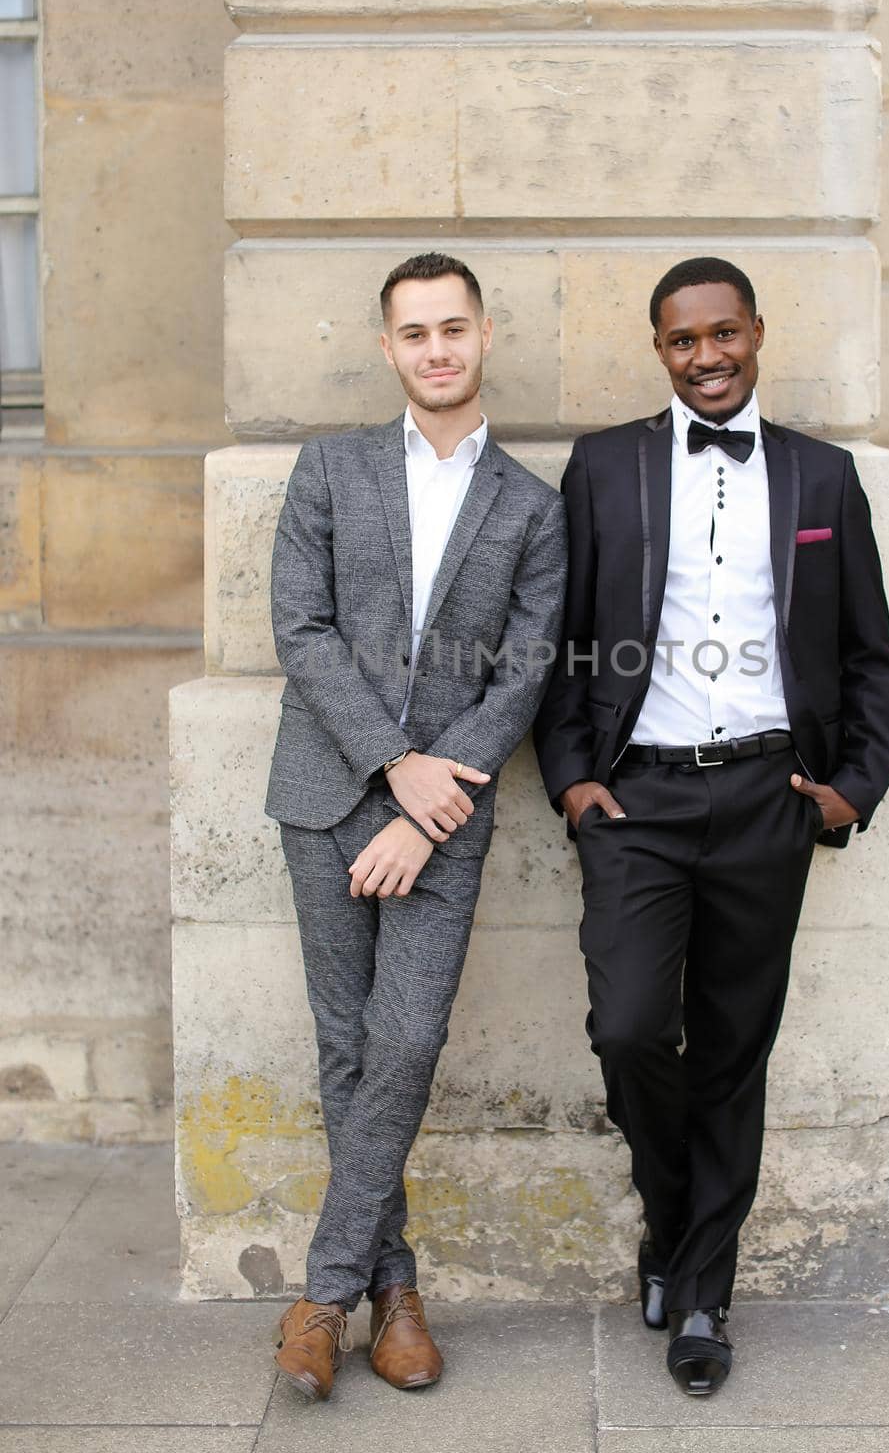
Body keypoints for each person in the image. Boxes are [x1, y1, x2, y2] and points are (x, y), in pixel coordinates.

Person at [534, 256, 889, 1396]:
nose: (705, 356)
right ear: (660, 350)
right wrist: (569, 779)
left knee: (733, 1046)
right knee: (632, 1026)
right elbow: (556, 641)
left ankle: (700, 1288)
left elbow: (869, 657)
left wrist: (851, 787)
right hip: (634, 796)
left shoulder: (822, 478)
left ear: (754, 333)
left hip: (765, 799)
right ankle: (671, 1220)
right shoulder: (600, 468)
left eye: (722, 333)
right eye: (682, 340)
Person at [265, 251, 567, 1400]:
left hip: (446, 815)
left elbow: (528, 669)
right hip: (326, 793)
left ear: (484, 336)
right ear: (386, 346)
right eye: (414, 332)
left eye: (454, 328)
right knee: (345, 1051)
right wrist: (392, 766)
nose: (435, 349)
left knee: (403, 1043)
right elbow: (301, 629)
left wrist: (432, 798)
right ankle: (393, 1294)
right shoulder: (327, 470)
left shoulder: (533, 507)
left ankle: (322, 1295)